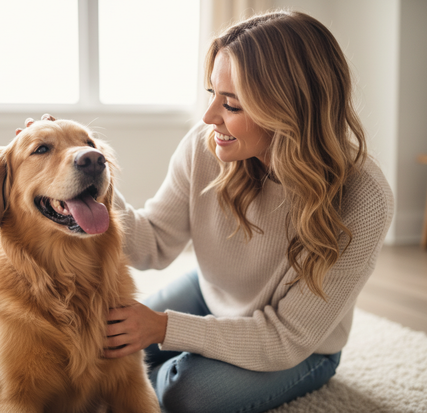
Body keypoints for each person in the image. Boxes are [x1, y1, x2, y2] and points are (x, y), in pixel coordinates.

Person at [100, 10, 394, 413]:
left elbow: (287, 337)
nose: (209, 118)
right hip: (212, 295)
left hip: (299, 347)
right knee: (104, 337)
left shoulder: (364, 198)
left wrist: (167, 329)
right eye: (212, 95)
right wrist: (90, 174)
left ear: (288, 111)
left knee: (185, 394)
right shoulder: (206, 145)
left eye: (232, 105)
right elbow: (151, 244)